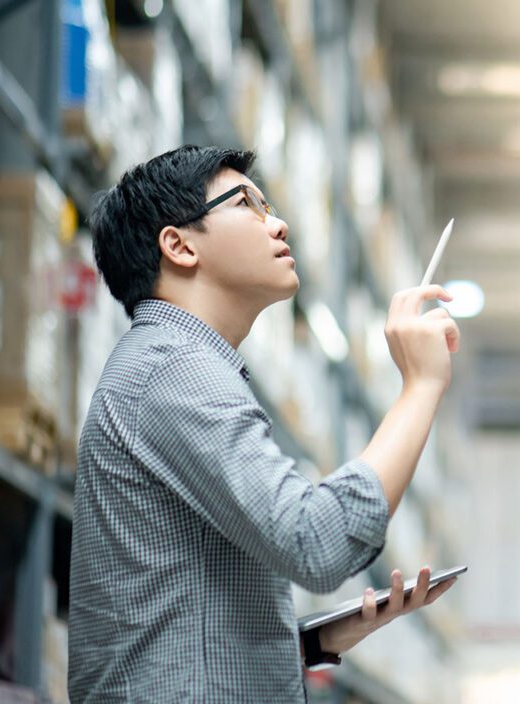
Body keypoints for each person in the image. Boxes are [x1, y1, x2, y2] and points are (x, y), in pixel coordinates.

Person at [67, 145, 461, 703]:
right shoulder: (174, 369)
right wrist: (420, 388)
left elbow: (174, 629)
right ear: (178, 245)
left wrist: (314, 638)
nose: (276, 222)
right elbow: (318, 541)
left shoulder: (176, 366)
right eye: (247, 203)